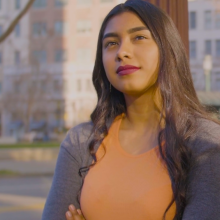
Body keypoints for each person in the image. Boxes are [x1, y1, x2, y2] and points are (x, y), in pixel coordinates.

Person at [41, 1, 220, 220]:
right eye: (111, 43)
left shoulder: (205, 142)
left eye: (139, 37)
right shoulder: (80, 142)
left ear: (167, 49)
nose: (122, 52)